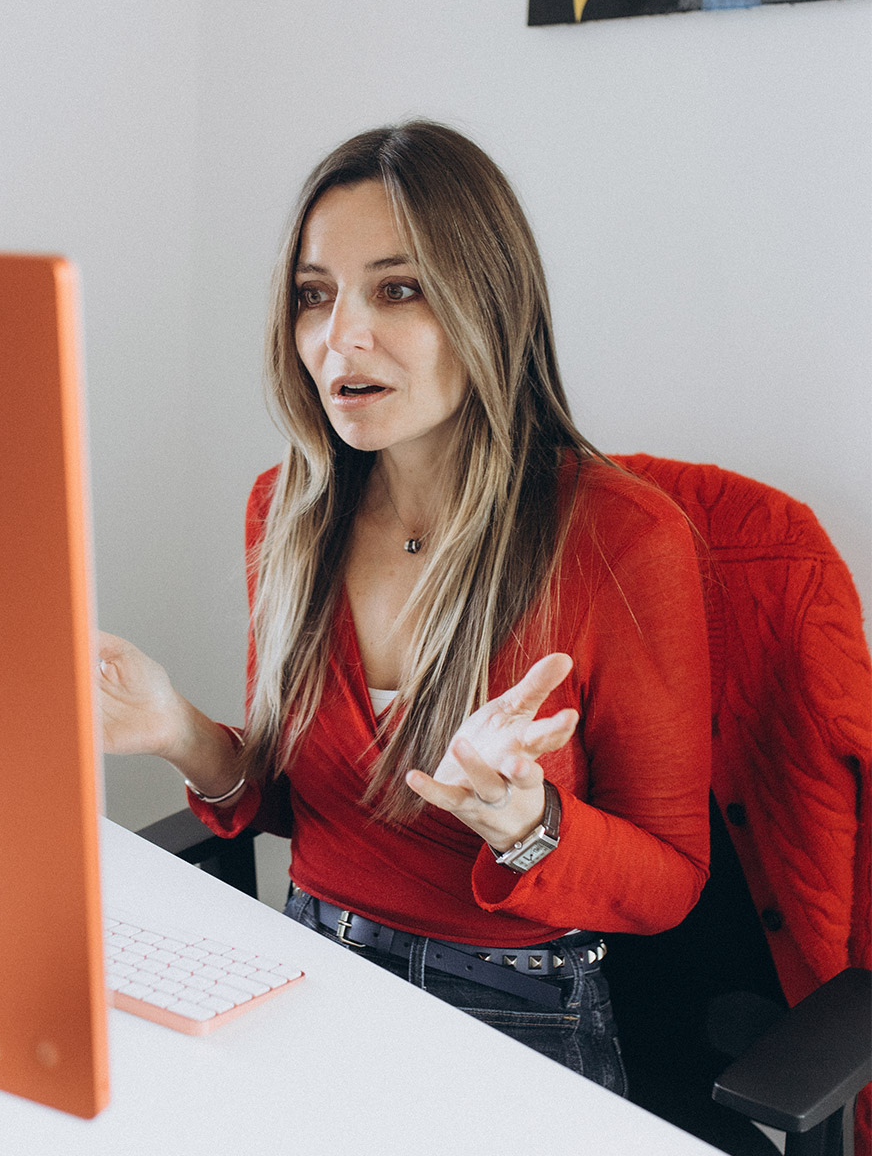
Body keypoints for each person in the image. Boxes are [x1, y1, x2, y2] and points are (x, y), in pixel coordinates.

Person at [98, 120, 711, 1092]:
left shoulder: (623, 537)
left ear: (485, 303)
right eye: (313, 295)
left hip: (510, 1014)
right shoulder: (286, 507)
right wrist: (175, 727)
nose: (339, 335)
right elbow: (285, 801)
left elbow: (670, 879)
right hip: (305, 972)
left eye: (397, 287)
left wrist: (523, 820)